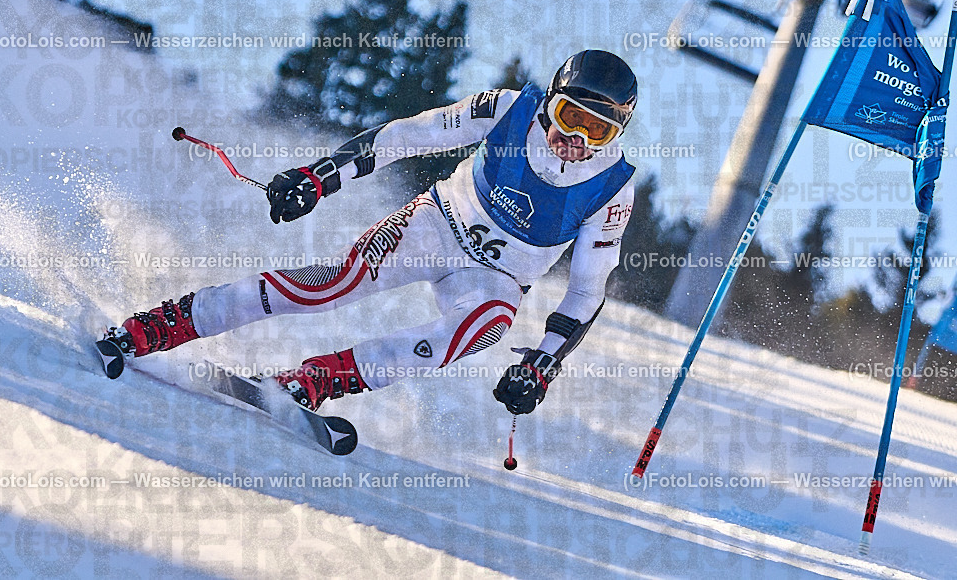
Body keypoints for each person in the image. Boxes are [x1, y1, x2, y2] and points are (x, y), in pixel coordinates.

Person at [98, 50, 638, 416]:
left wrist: (541, 364)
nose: (576, 138)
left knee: (483, 328)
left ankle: (315, 381)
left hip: (496, 277)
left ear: (618, 133)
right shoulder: (506, 110)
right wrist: (320, 177)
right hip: (437, 225)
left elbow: (587, 291)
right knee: (330, 285)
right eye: (570, 117)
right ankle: (169, 322)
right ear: (550, 102)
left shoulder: (612, 187)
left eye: (598, 129)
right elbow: (405, 137)